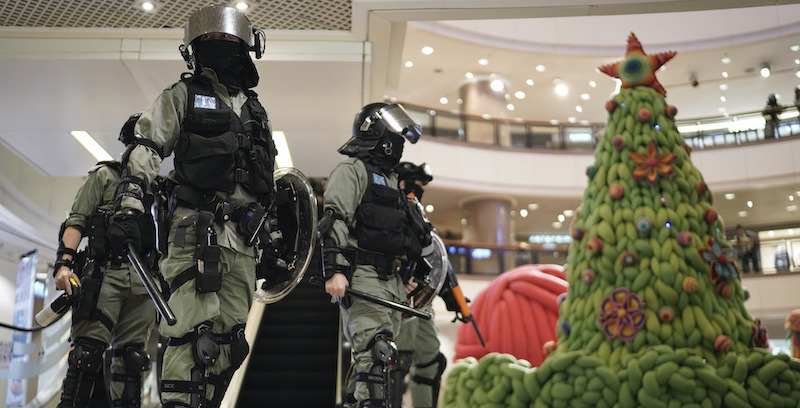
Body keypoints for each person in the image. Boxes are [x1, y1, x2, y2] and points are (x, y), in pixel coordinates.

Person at [107, 5, 277, 407]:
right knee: (191, 339)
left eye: (230, 41)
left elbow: (267, 186)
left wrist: (273, 242)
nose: (221, 47)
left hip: (243, 244)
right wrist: (129, 206)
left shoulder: (257, 112)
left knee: (231, 345)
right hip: (194, 231)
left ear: (247, 47)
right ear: (195, 49)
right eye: (211, 40)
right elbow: (147, 146)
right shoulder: (182, 95)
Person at [319, 102, 423, 407]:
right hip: (361, 277)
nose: (398, 140)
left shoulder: (391, 180)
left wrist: (404, 276)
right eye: (393, 131)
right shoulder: (351, 171)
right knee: (376, 356)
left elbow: (397, 235)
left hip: (390, 283)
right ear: (374, 129)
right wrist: (334, 269)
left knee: (375, 360)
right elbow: (334, 219)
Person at [54, 113, 158, 408]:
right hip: (104, 276)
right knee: (85, 357)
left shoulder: (160, 188)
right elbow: (77, 221)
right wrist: (63, 264)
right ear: (128, 144)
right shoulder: (104, 176)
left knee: (132, 363)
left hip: (144, 285)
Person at [392, 161, 448, 408]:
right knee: (396, 362)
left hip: (422, 300)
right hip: (399, 297)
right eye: (416, 184)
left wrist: (451, 297)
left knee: (432, 362)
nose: (420, 189)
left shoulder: (417, 211)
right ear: (402, 182)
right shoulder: (392, 208)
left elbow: (433, 257)